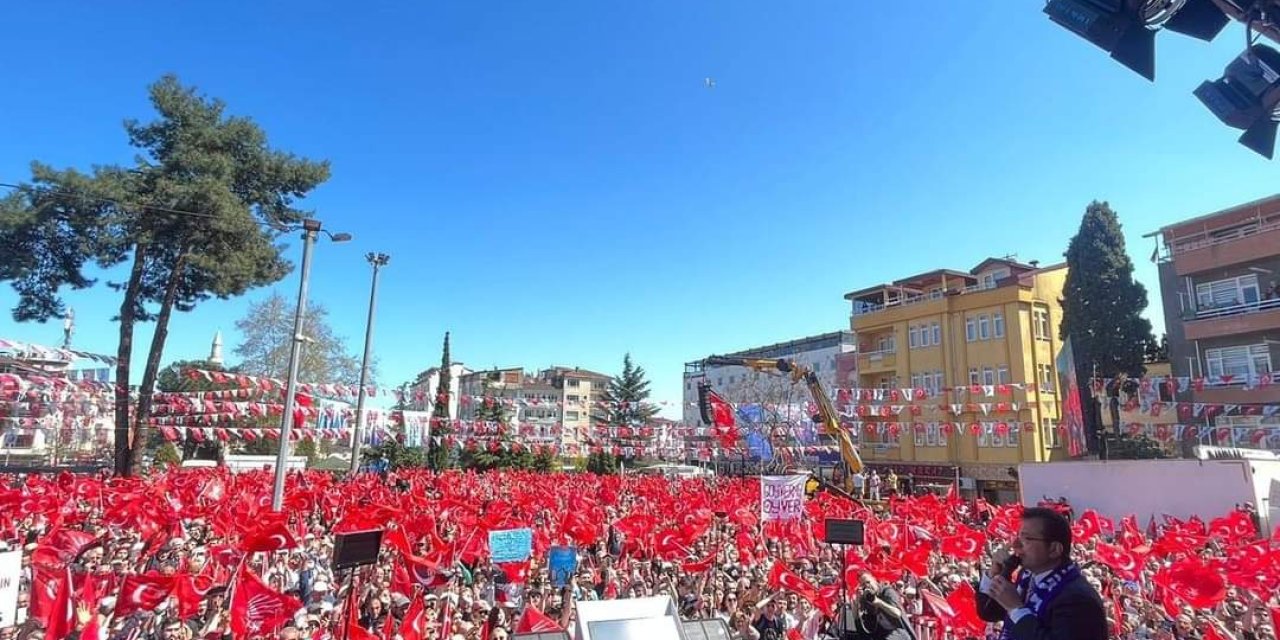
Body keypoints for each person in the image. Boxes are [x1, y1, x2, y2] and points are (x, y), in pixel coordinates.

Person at [976, 507, 1108, 640]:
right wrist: (994, 573)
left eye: (1027, 538)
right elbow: (989, 613)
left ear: (1054, 549)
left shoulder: (1078, 599)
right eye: (1018, 536)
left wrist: (1016, 609)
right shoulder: (1027, 576)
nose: (1015, 545)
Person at [855, 572, 914, 640]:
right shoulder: (867, 598)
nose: (867, 586)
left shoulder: (887, 591)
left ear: (874, 579)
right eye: (863, 585)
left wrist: (878, 602)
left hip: (899, 632)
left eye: (868, 582)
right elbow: (859, 620)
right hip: (882, 632)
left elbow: (897, 613)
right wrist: (857, 601)